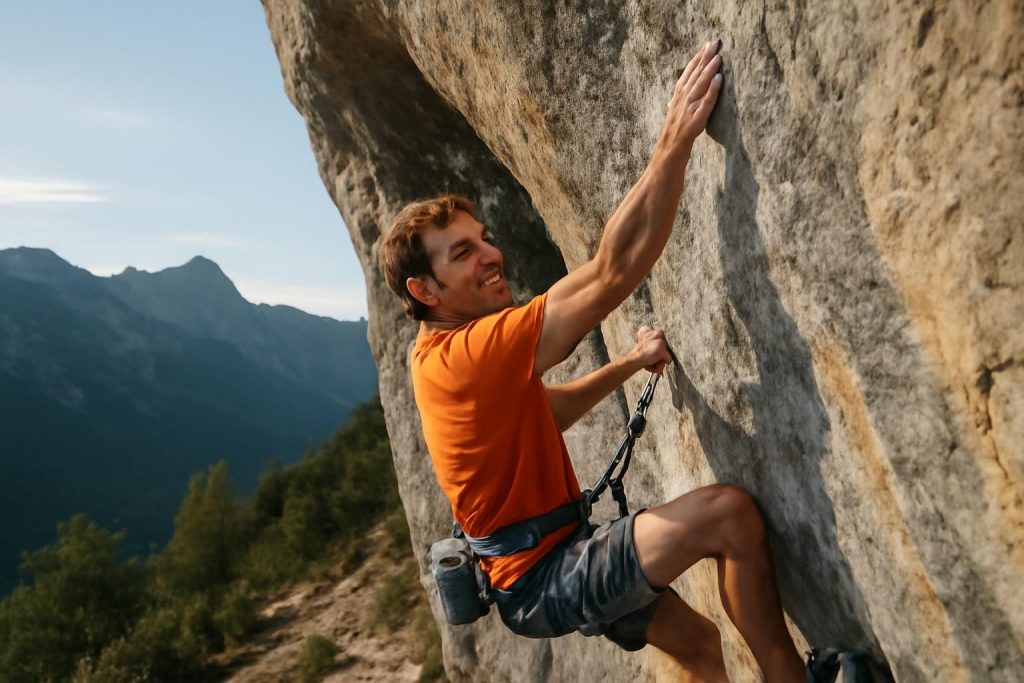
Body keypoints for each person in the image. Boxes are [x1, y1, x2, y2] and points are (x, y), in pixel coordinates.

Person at [379, 40, 805, 682]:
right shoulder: (467, 353)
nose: (491, 255)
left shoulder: (439, 358)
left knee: (697, 647)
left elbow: (547, 411)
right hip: (546, 576)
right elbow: (612, 272)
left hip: (544, 564)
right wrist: (672, 143)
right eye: (462, 253)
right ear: (424, 291)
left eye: (485, 239)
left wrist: (630, 364)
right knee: (728, 516)